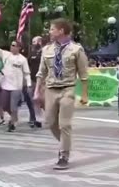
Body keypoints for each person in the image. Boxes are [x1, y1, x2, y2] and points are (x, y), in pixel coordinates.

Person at [34, 18, 88, 170]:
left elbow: (83, 74)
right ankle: (66, 143)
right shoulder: (47, 50)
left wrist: (84, 94)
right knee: (50, 122)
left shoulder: (76, 50)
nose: (50, 32)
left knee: (65, 123)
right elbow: (41, 72)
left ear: (61, 31)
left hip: (68, 89)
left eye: (52, 29)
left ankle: (63, 155)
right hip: (51, 89)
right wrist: (37, 90)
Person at [0, 39, 31, 132]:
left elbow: (27, 73)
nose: (13, 47)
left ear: (19, 47)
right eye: (12, 45)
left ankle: (12, 123)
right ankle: (14, 117)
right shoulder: (6, 55)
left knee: (13, 106)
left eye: (15, 46)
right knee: (4, 106)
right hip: (5, 85)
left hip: (16, 86)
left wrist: (29, 85)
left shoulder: (22, 59)